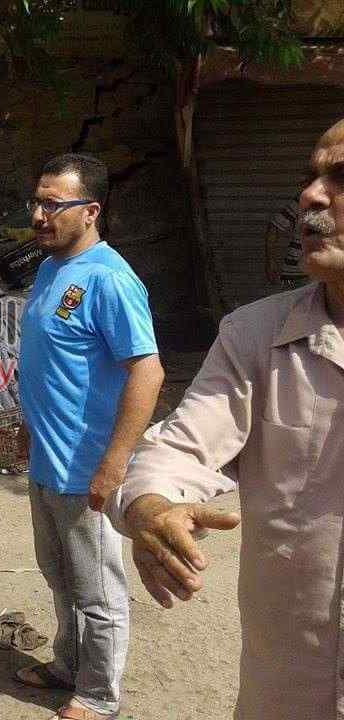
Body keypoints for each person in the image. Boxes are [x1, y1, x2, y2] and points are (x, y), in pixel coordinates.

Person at [105, 118, 344, 719]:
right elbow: (179, 448)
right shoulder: (256, 335)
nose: (310, 196)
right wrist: (150, 506)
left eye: (340, 178)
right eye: (309, 178)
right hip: (291, 687)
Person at [14, 153, 165, 720]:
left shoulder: (109, 279)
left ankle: (99, 695)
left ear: (91, 211)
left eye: (53, 204)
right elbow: (50, 363)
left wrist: (115, 462)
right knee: (60, 576)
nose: (39, 215)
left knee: (97, 591)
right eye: (37, 202)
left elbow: (147, 370)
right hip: (47, 459)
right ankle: (68, 666)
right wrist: (30, 426)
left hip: (86, 467)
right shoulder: (51, 267)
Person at [264, 198, 308, 288]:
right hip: (299, 274)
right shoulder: (304, 198)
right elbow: (275, 227)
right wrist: (271, 261)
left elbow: (274, 227)